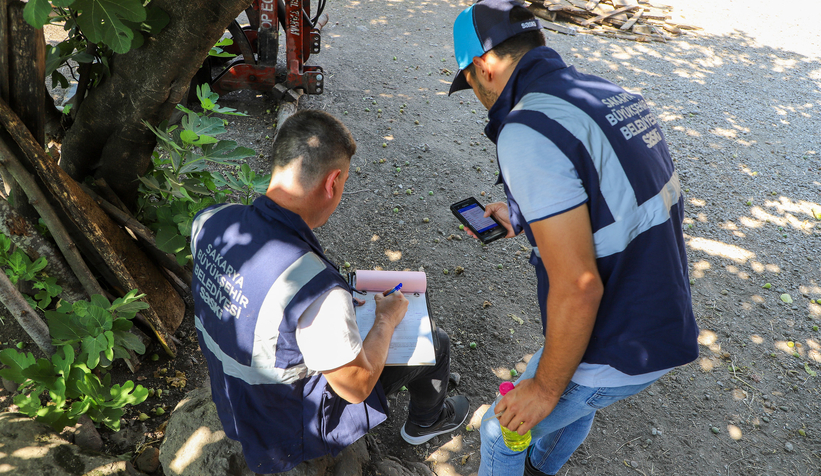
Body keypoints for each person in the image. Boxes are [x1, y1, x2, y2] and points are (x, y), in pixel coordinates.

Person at [448, 1, 699, 475]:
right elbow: (607, 195)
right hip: (661, 310)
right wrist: (525, 214)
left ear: (483, 67)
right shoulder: (609, 94)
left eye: (471, 84)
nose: (478, 96)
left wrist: (542, 391)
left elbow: (579, 285)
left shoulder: (526, 129)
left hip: (617, 333)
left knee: (502, 432)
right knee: (577, 407)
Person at [190, 110, 469, 474]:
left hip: (235, 397)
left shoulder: (211, 221)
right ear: (332, 181)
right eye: (345, 181)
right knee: (435, 342)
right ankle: (426, 422)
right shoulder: (317, 292)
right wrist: (384, 319)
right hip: (284, 427)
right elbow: (355, 389)